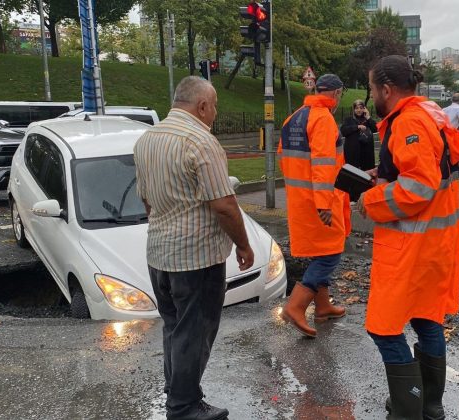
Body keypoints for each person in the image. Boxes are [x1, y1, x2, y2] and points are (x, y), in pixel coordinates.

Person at [134, 76, 254, 420]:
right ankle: (184, 406)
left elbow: (146, 199)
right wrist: (242, 244)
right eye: (214, 106)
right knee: (195, 332)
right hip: (196, 259)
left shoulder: (146, 140)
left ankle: (179, 394)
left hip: (158, 254)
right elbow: (225, 206)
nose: (215, 113)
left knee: (174, 327)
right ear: (202, 105)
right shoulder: (202, 142)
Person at [358, 55, 459, 420]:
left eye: (372, 88)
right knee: (426, 318)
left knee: (383, 328)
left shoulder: (408, 122)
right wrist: (384, 172)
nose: (371, 96)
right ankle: (430, 406)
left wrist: (371, 199)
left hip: (410, 248)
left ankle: (408, 409)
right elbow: (427, 171)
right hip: (436, 245)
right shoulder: (432, 114)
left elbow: (417, 187)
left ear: (387, 89)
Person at [278, 73, 351, 338]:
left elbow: (283, 159)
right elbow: (323, 164)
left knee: (321, 253)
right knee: (331, 252)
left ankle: (323, 306)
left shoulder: (293, 118)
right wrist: (323, 203)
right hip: (320, 199)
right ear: (335, 94)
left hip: (300, 199)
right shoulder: (323, 119)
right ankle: (296, 306)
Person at [341, 99, 378, 171]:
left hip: (366, 154)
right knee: (353, 175)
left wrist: (368, 117)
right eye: (357, 108)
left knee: (367, 176)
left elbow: (375, 129)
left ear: (364, 109)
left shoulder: (367, 120)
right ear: (354, 109)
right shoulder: (349, 120)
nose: (359, 110)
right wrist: (357, 127)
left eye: (361, 108)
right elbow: (343, 131)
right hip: (353, 154)